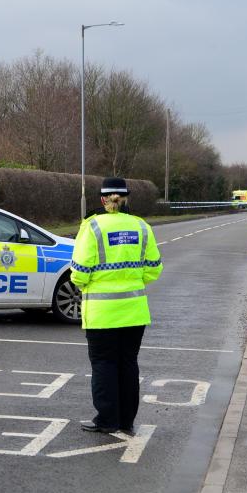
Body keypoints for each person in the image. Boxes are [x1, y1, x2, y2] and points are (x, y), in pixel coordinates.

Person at [70, 177, 163, 436]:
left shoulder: (92, 226)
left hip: (102, 315)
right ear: (126, 199)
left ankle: (107, 419)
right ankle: (126, 421)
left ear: (102, 199)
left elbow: (79, 273)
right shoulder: (142, 227)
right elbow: (154, 270)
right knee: (128, 364)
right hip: (134, 312)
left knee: (104, 365)